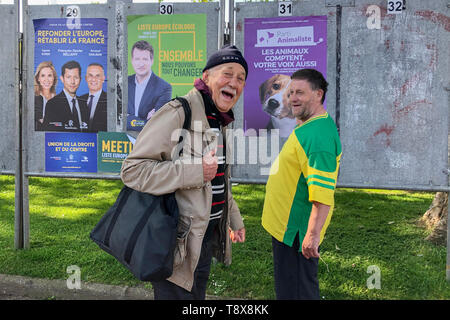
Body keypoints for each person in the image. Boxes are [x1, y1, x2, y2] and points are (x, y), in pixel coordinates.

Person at [121, 45, 248, 300]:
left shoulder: (218, 119)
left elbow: (218, 178)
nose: (234, 82)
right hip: (175, 244)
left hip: (203, 239)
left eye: (241, 78)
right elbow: (132, 170)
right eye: (228, 73)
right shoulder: (179, 112)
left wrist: (233, 218)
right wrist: (195, 171)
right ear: (206, 77)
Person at [261, 69, 342, 300]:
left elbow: (323, 194)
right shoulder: (311, 126)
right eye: (291, 92)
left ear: (318, 95)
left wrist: (312, 236)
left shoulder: (318, 137)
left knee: (296, 292)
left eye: (300, 93)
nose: (293, 98)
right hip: (288, 229)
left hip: (296, 234)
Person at [127, 40, 172, 131]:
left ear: (151, 61)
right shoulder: (123, 84)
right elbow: (116, 118)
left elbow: (156, 123)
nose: (141, 63)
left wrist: (128, 119)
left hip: (149, 141)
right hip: (122, 141)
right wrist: (144, 122)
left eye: (145, 59)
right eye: (137, 59)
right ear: (132, 61)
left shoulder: (164, 88)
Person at [43, 60, 88, 132]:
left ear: (80, 79)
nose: (72, 82)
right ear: (62, 79)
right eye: (68, 77)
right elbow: (48, 134)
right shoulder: (52, 104)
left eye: (76, 77)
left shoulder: (85, 104)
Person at [79, 63, 107, 132]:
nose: (93, 79)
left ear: (103, 79)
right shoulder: (78, 100)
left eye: (97, 76)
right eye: (90, 75)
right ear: (86, 78)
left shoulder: (110, 101)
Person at [34, 61, 57, 131]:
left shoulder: (58, 98)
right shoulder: (33, 98)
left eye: (49, 75)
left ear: (54, 78)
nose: (46, 79)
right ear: (38, 78)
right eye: (43, 75)